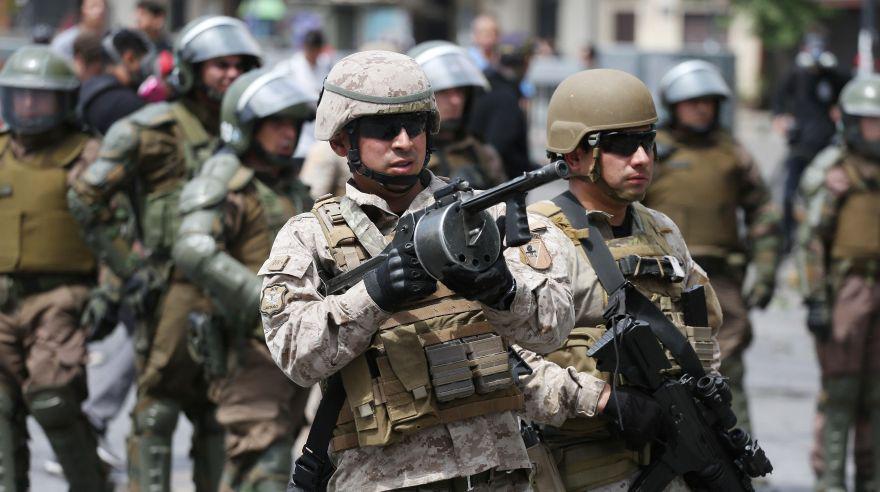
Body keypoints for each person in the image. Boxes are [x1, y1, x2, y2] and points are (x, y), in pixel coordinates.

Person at [258, 49, 575, 490]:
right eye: (384, 131)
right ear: (341, 143)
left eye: (416, 126)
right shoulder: (308, 237)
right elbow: (296, 356)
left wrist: (503, 289)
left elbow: (552, 328)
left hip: (496, 474)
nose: (404, 141)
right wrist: (373, 295)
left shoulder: (486, 216)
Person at [67, 15, 262, 492]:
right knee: (156, 411)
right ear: (192, 70)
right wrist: (128, 267)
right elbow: (85, 197)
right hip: (169, 289)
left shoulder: (254, 130)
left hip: (235, 291)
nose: (230, 74)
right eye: (219, 65)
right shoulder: (150, 127)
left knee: (220, 416)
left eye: (239, 65)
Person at [521, 68, 723, 490]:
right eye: (620, 145)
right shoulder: (542, 239)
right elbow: (508, 364)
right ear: (574, 156)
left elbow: (702, 328)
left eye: (647, 141)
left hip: (672, 456)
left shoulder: (662, 231)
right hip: (584, 467)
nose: (642, 158)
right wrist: (604, 401)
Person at [173, 69, 315, 490]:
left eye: (293, 123)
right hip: (246, 345)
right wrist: (264, 300)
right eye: (276, 124)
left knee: (265, 454)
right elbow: (192, 248)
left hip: (292, 344)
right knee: (265, 461)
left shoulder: (286, 184)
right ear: (247, 125)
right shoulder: (226, 176)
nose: (288, 134)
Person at [641, 60, 781, 433]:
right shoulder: (650, 153)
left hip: (722, 279)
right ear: (674, 104)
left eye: (708, 101)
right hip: (660, 279)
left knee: (728, 365)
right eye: (692, 101)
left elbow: (764, 212)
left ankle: (741, 454)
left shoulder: (732, 152)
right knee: (661, 365)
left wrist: (766, 271)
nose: (701, 108)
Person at [0, 44, 109, 492]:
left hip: (62, 296)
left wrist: (110, 291)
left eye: (39, 97)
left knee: (52, 401)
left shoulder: (87, 155)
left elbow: (114, 233)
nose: (28, 106)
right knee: (2, 407)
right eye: (20, 95)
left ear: (63, 102)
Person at [797, 74, 880, 492]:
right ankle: (829, 479)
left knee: (876, 395)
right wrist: (816, 300)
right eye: (869, 121)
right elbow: (811, 242)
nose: (876, 129)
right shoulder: (832, 170)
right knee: (841, 391)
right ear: (850, 121)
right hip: (847, 290)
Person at [774, 33, 850, 253]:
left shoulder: (832, 76)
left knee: (828, 196)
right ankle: (788, 240)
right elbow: (778, 100)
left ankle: (826, 244)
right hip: (800, 145)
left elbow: (849, 90)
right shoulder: (795, 74)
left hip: (826, 147)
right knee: (788, 195)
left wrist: (840, 110)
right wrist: (781, 119)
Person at [409, 40, 506, 189]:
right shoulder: (407, 154)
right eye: (444, 92)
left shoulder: (481, 153)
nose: (456, 100)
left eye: (460, 91)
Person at [469, 34, 534, 177]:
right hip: (498, 189)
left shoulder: (482, 84)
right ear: (527, 62)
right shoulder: (507, 99)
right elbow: (498, 153)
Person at [76, 29, 153, 135]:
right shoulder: (127, 103)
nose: (145, 71)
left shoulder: (87, 89)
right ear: (129, 58)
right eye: (143, 62)